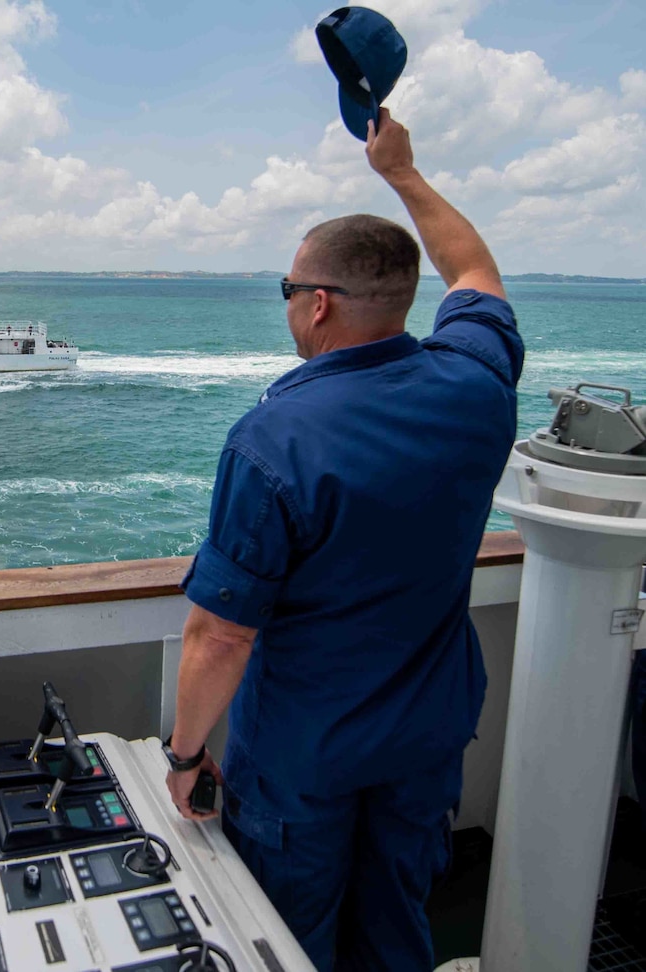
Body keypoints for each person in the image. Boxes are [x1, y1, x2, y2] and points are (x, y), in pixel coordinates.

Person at [163, 108, 524, 972]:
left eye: (286, 290)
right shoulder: (477, 385)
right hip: (424, 743)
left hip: (304, 758)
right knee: (397, 927)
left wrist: (184, 756)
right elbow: (473, 267)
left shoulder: (275, 438)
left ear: (316, 303)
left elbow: (222, 633)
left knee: (292, 942)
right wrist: (401, 171)